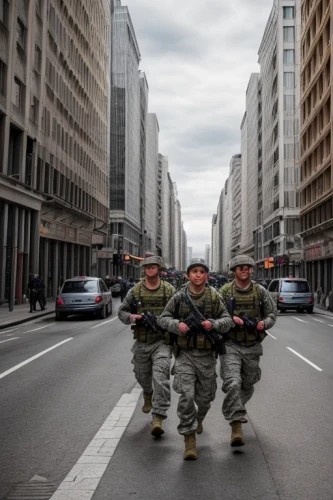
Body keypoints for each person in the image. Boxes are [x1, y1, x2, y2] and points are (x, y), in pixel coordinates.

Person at [158, 258, 233, 461]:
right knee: (187, 396)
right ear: (187, 275)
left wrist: (214, 324)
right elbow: (163, 318)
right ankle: (189, 438)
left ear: (206, 275)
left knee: (205, 400)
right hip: (185, 355)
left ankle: (199, 419)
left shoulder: (214, 295)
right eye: (194, 271)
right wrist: (177, 325)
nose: (198, 275)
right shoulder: (180, 296)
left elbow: (227, 321)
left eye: (201, 271)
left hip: (207, 357)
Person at [218, 255, 277, 447]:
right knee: (233, 382)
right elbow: (215, 314)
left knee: (248, 383)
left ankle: (236, 405)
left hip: (252, 345)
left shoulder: (260, 291)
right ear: (234, 270)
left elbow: (271, 314)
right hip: (231, 344)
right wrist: (229, 320)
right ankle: (236, 425)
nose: (245, 270)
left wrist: (263, 324)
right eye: (241, 267)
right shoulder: (225, 291)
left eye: (248, 267)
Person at [118, 256, 176, 438]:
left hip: (162, 342)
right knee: (142, 376)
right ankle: (147, 392)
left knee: (161, 377)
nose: (150, 269)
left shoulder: (169, 290)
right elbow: (122, 311)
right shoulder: (136, 291)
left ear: (159, 269)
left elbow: (180, 311)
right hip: (142, 342)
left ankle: (158, 416)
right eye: (147, 267)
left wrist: (169, 323)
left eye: (153, 267)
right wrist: (132, 318)